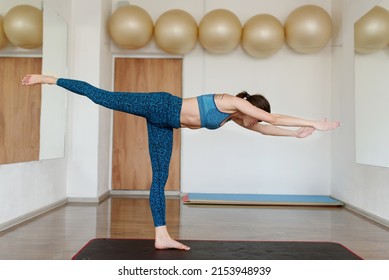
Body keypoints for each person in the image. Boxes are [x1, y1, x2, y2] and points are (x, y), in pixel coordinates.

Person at [22, 74, 341, 251]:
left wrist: (294, 135)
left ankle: (161, 235)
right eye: (251, 116)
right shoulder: (231, 101)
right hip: (159, 104)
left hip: (164, 125)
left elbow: (266, 128)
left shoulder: (234, 117)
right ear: (248, 107)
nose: (251, 122)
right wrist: (316, 121)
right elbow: (271, 117)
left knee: (159, 178)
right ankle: (48, 78)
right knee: (101, 95)